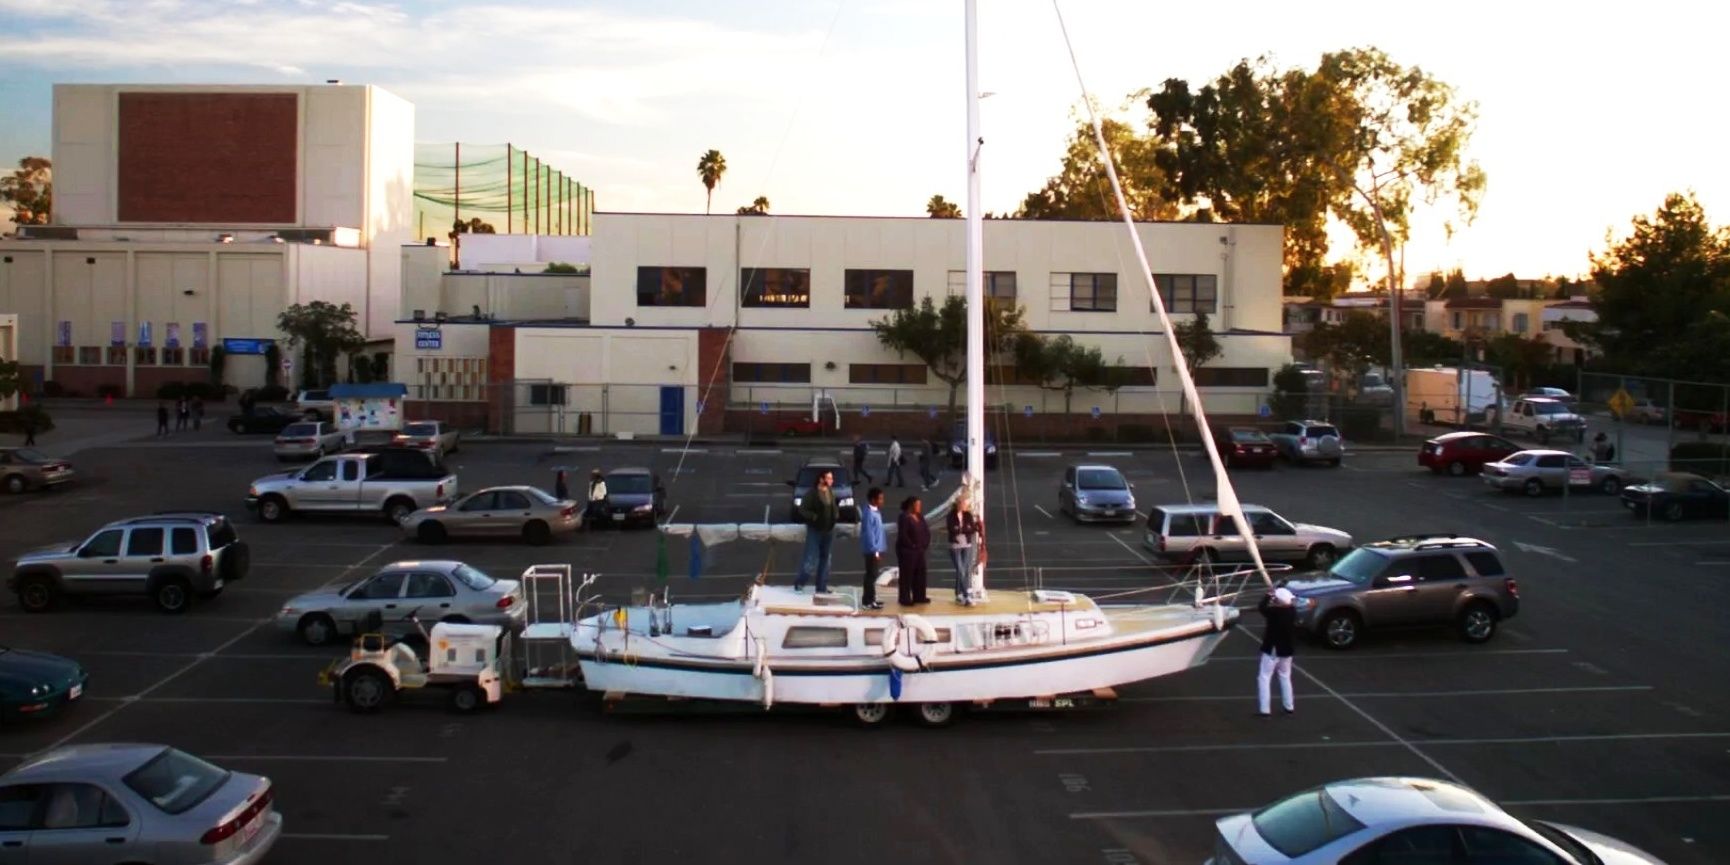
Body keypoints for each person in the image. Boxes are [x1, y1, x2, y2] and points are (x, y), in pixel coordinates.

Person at [793, 470, 840, 594]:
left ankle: (821, 587)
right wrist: (813, 517)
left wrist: (836, 515)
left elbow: (833, 506)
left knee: (826, 559)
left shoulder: (830, 492)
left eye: (832, 478)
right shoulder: (812, 494)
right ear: (821, 479)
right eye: (829, 478)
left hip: (828, 530)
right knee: (810, 559)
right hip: (815, 530)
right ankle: (800, 583)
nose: (831, 481)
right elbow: (802, 510)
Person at [1256, 586, 1298, 717]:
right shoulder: (1292, 612)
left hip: (1273, 650)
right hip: (1287, 651)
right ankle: (1289, 706)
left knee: (1264, 677)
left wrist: (1269, 595)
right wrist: (1274, 597)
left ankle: (1265, 709)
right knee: (1285, 676)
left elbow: (1262, 607)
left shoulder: (1274, 613)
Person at [946, 495, 983, 606]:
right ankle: (966, 595)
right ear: (958, 504)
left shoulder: (968, 515)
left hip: (966, 545)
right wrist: (963, 529)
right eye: (963, 504)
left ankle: (959, 593)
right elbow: (952, 528)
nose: (965, 506)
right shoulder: (951, 516)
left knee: (965, 570)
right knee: (960, 570)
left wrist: (962, 529)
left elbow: (971, 528)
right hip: (955, 546)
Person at [895, 496, 931, 606]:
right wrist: (912, 545)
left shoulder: (920, 516)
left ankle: (919, 596)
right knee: (907, 574)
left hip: (920, 550)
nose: (919, 507)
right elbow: (903, 534)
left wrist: (925, 543)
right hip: (908, 551)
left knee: (920, 573)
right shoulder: (904, 517)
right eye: (917, 505)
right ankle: (905, 598)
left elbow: (926, 530)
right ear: (911, 506)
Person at [859, 486, 887, 610]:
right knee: (871, 575)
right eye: (880, 499)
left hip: (875, 548)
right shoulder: (869, 514)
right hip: (872, 549)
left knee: (872, 575)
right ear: (873, 499)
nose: (882, 501)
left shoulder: (875, 511)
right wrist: (875, 551)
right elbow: (870, 534)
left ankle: (872, 598)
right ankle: (867, 601)